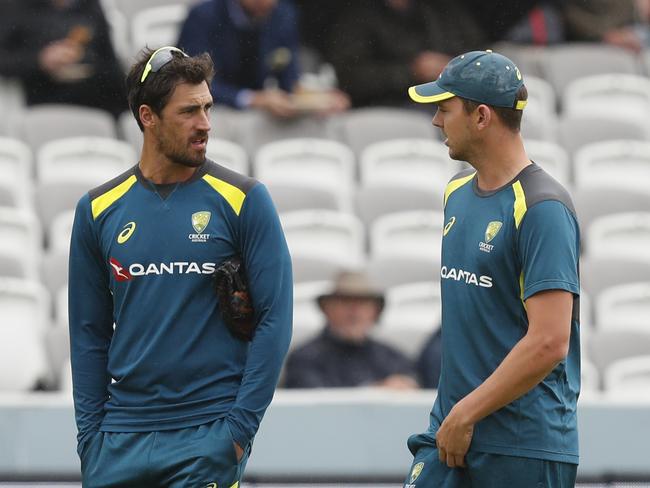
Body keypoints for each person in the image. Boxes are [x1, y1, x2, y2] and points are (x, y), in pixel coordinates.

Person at [68, 46, 292, 487]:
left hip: (207, 435)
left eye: (208, 108)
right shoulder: (97, 210)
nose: (205, 124)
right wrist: (90, 438)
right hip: (117, 441)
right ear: (147, 116)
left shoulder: (244, 200)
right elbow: (88, 332)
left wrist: (238, 432)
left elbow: (276, 319)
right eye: (189, 111)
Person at [403, 50, 581, 487]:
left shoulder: (542, 209)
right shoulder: (457, 191)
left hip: (522, 446)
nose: (436, 121)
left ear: (481, 116)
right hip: (451, 432)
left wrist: (467, 411)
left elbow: (549, 341)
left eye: (444, 109)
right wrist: (458, 416)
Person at [177, 0, 348, 117]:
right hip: (210, 115)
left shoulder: (283, 15)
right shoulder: (203, 17)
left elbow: (289, 80)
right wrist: (253, 99)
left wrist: (316, 99)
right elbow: (193, 84)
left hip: (253, 119)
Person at [328, 0, 484, 108]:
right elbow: (350, 77)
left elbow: (478, 53)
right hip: (385, 106)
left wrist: (455, 65)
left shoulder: (443, 9)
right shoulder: (358, 14)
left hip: (447, 101)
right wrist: (412, 72)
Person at [284, 271, 418, 389]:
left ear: (375, 312)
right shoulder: (304, 359)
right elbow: (317, 403)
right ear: (327, 309)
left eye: (363, 303)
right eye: (345, 302)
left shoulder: (393, 358)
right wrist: (376, 392)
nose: (354, 312)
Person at [0, 0, 126, 117]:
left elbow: (109, 58)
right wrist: (41, 60)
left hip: (99, 91)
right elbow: (5, 61)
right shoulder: (15, 6)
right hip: (45, 96)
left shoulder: (89, 4)